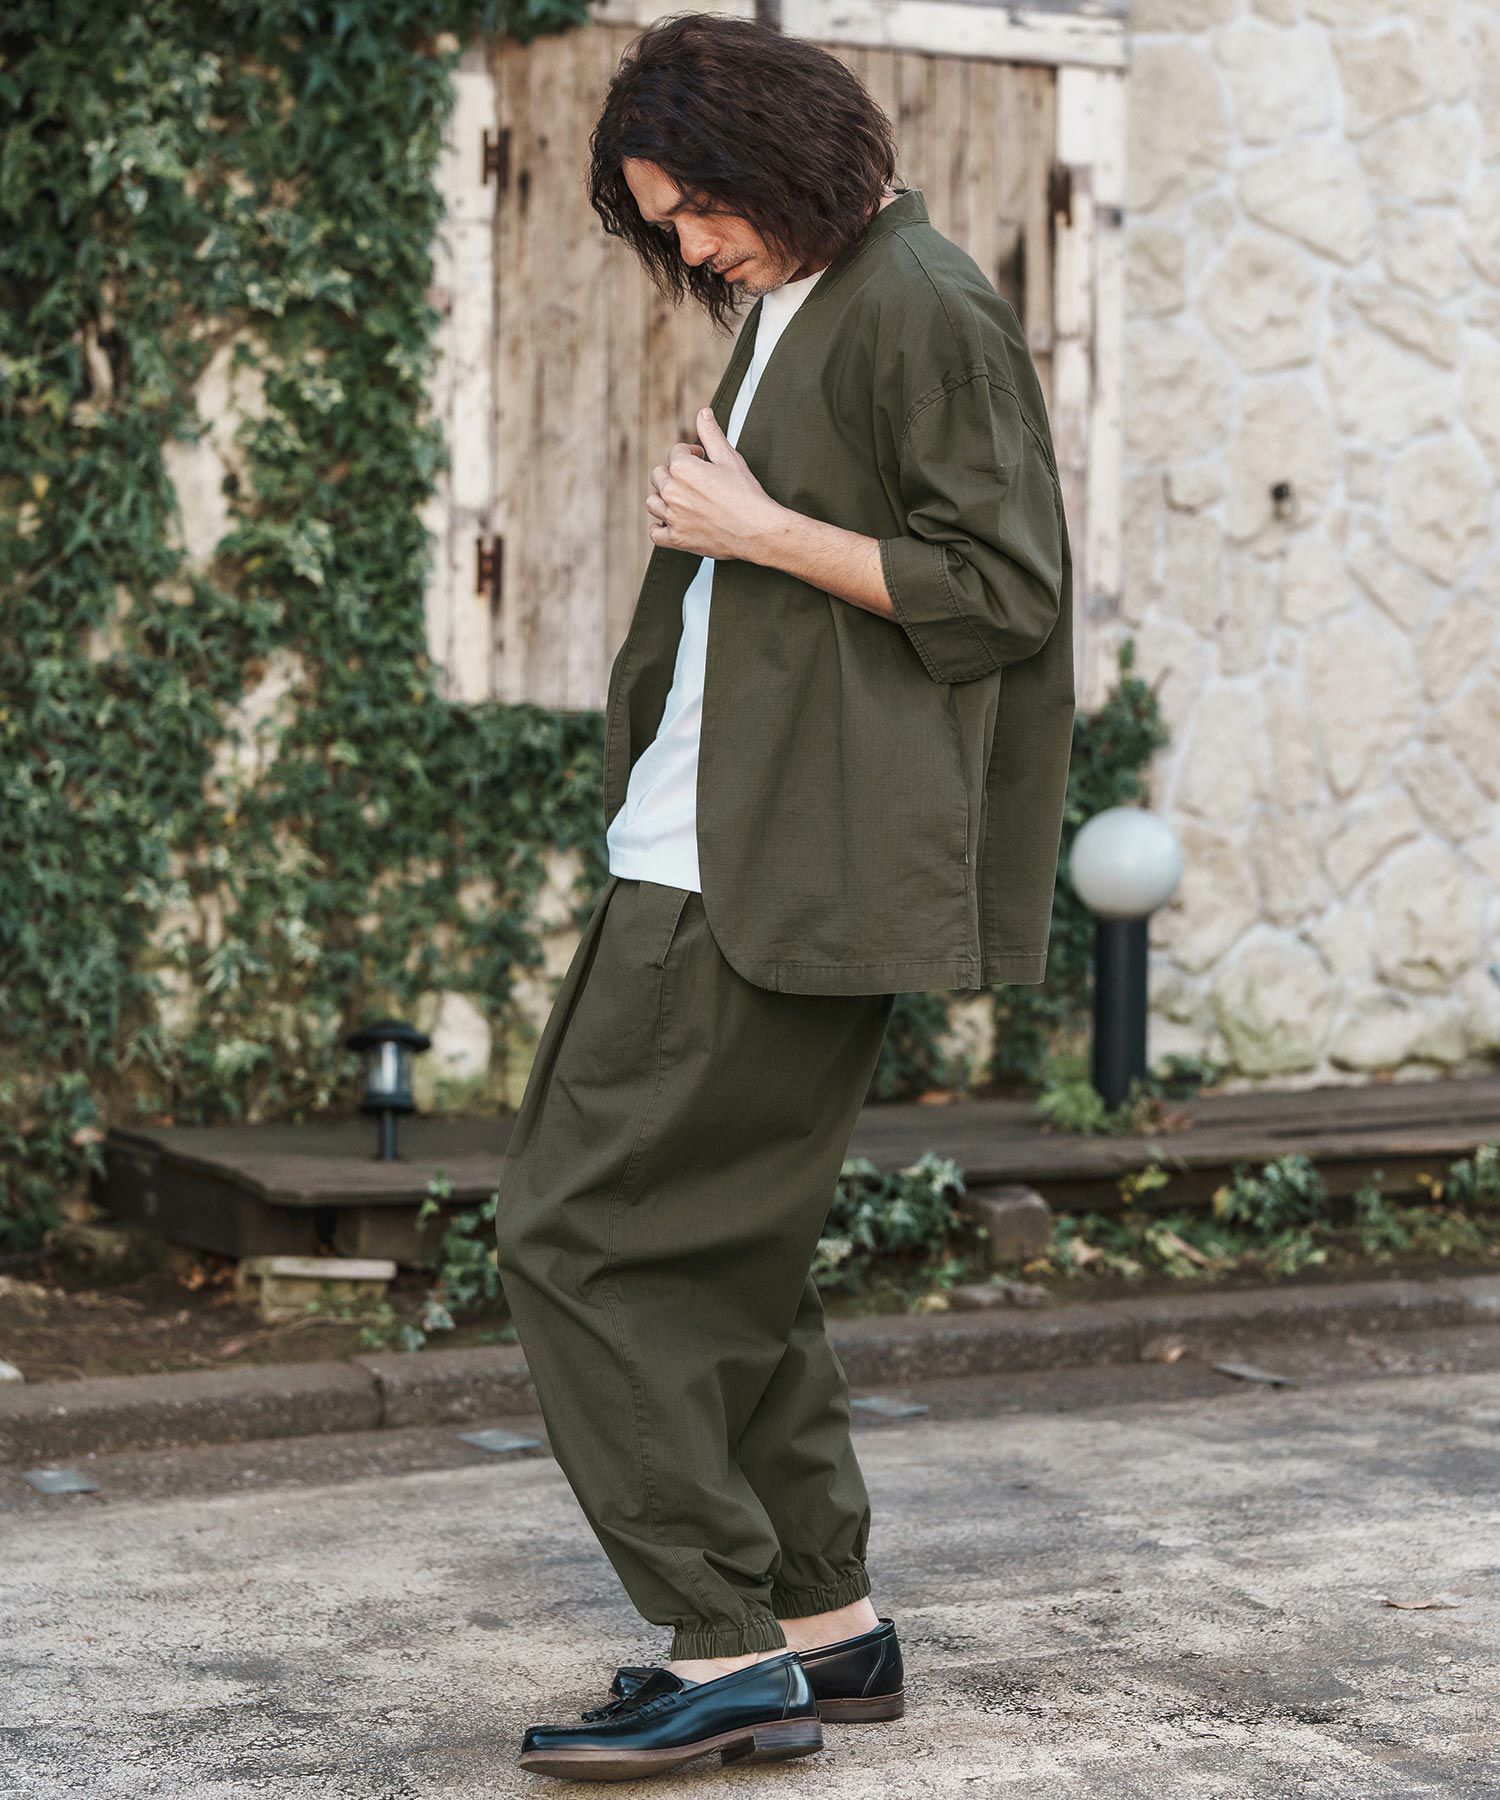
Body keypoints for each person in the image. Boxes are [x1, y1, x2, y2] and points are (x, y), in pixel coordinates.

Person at [494, 11, 1075, 1782]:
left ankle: (718, 1644)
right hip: (710, 843)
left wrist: (757, 530)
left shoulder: (923, 303)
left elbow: (1006, 589)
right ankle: (825, 1626)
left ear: (782, 153)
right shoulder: (809, 300)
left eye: (699, 207)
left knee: (572, 1241)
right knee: (728, 1253)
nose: (689, 246)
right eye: (665, 222)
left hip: (750, 865)